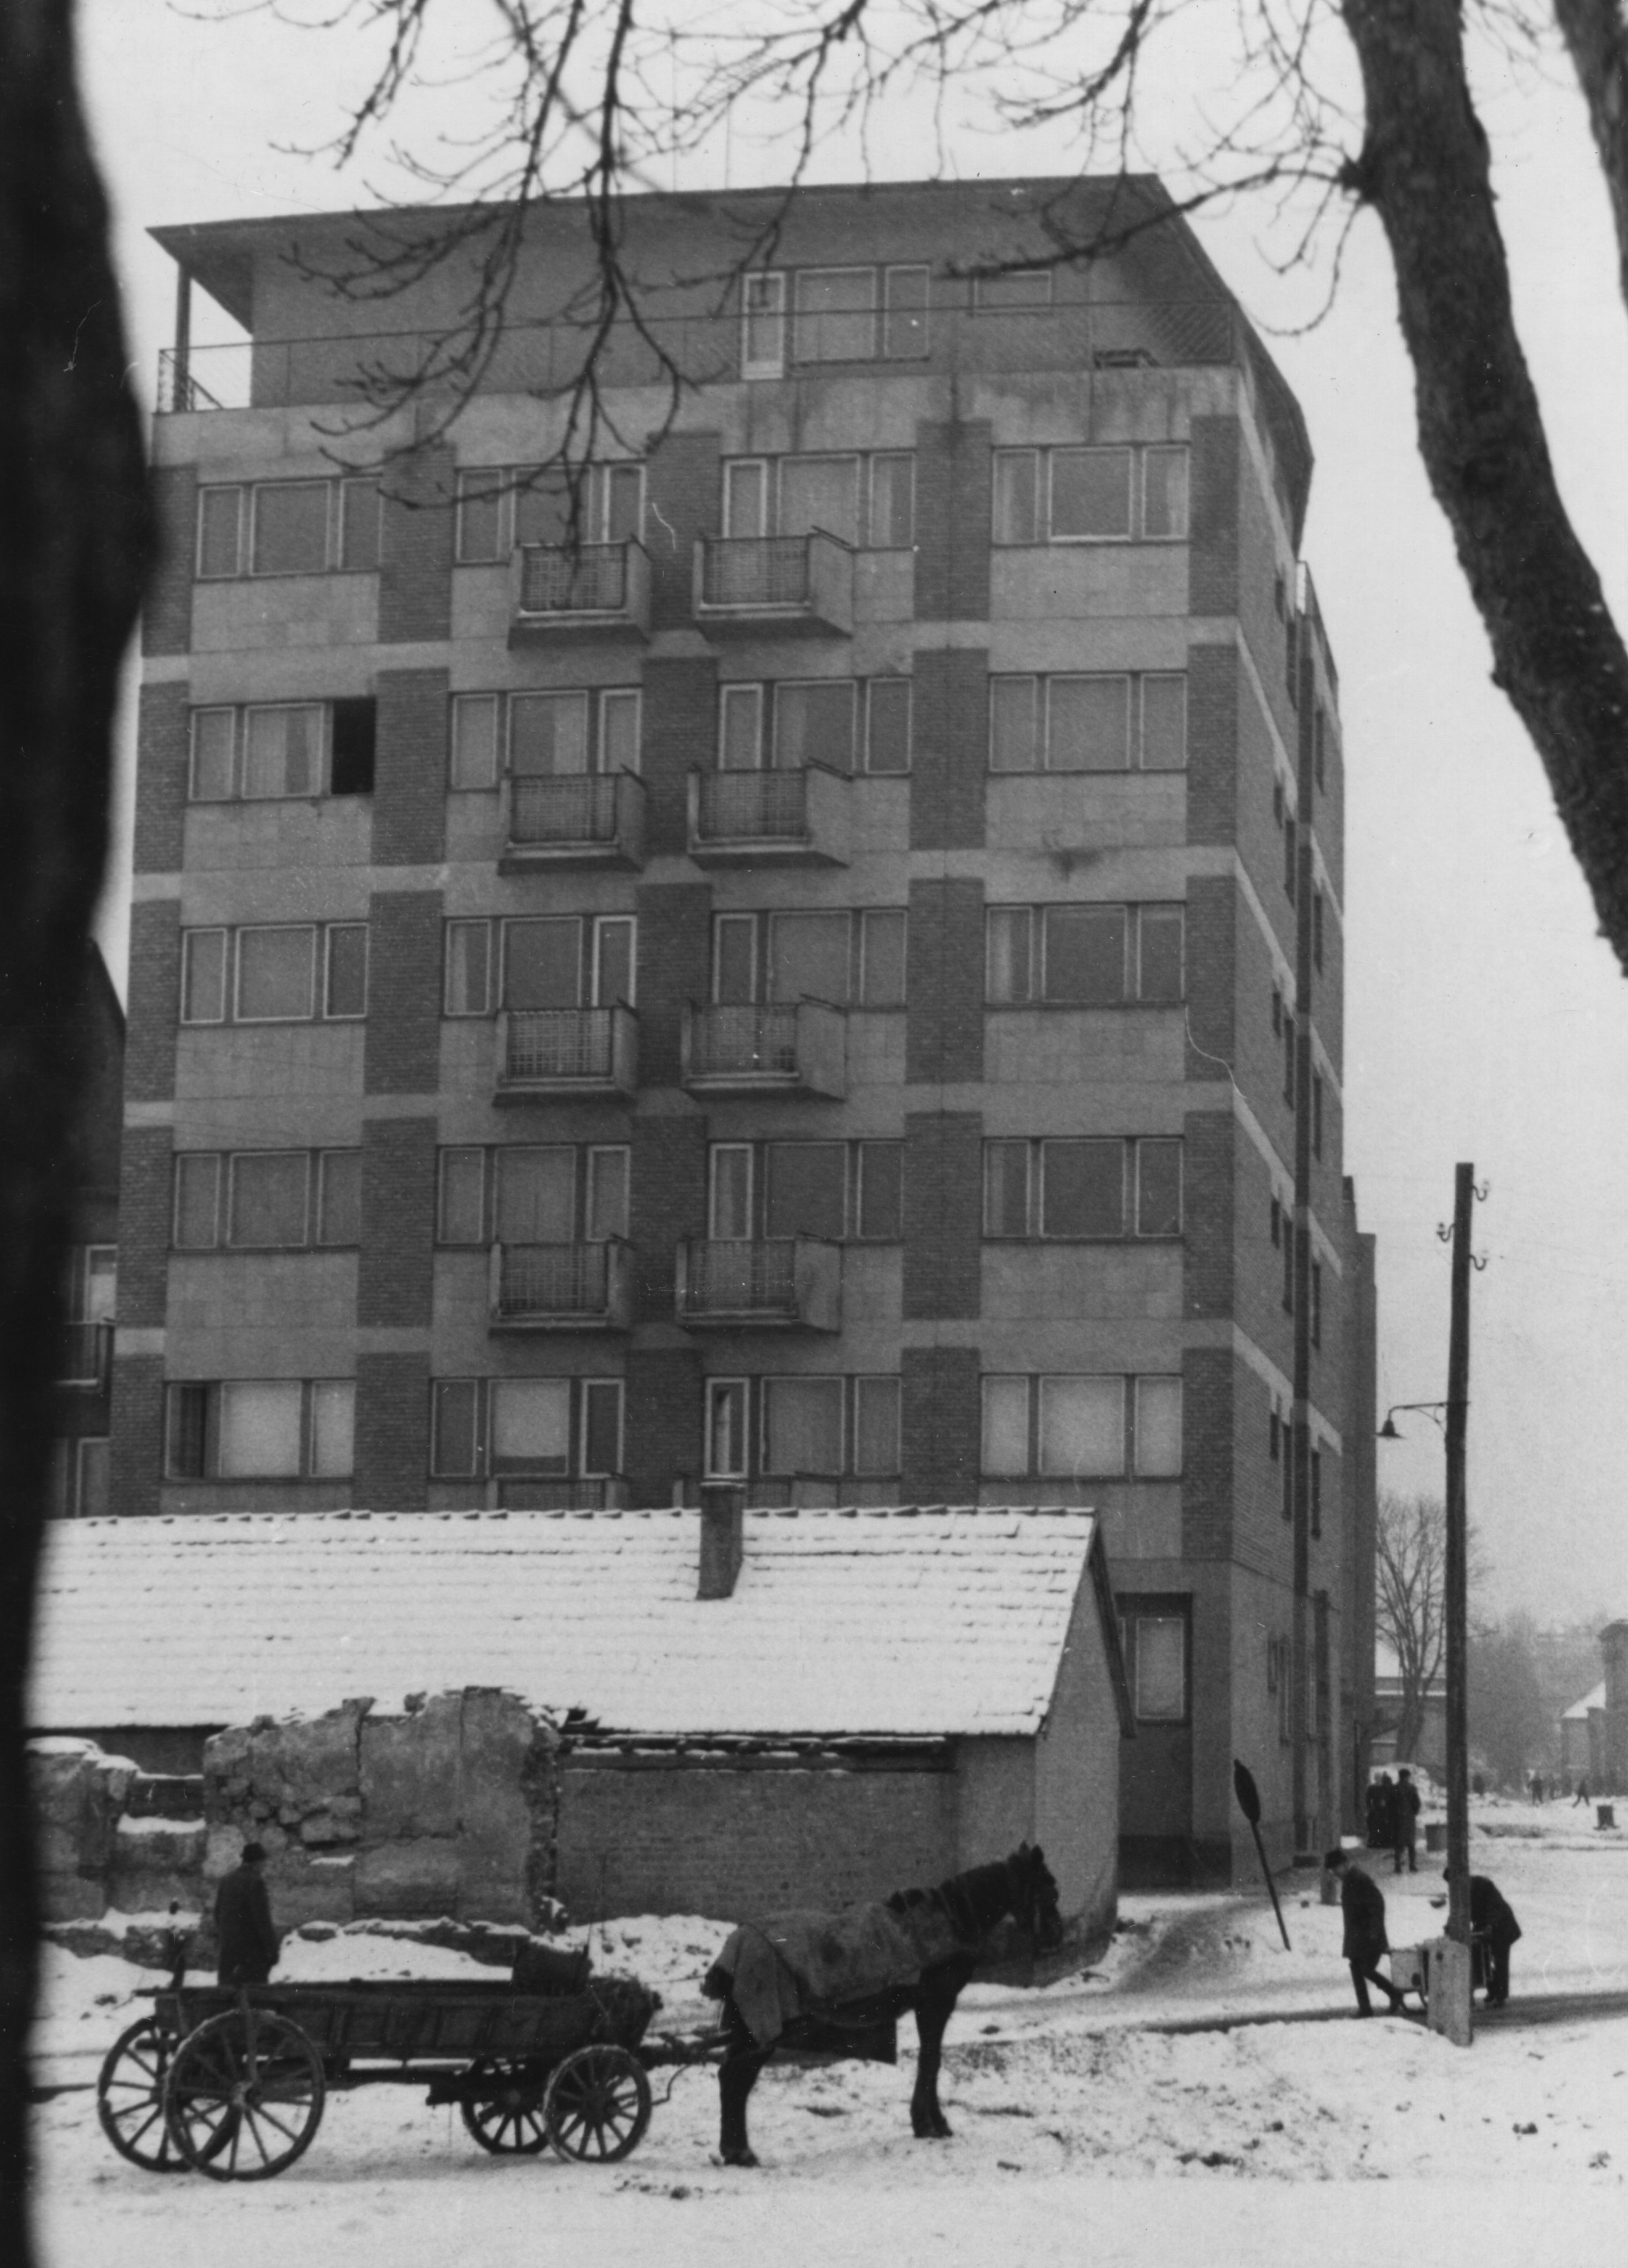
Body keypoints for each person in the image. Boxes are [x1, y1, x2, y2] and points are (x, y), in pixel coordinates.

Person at [1326, 1847, 1408, 2017]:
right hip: (1357, 1936)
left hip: (1369, 1935)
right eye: (1332, 1870)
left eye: (1336, 1869)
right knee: (1356, 1969)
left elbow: (1377, 1904)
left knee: (1365, 1969)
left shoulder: (1359, 1879)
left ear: (1345, 1864)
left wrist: (1374, 1930)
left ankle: (1394, 1993)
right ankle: (1365, 2008)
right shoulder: (1349, 1880)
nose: (1335, 1873)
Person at [1449, 1870, 1521, 2008]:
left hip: (1502, 1926)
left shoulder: (1484, 1885)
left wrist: (1489, 1925)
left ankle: (1501, 1996)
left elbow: (1495, 1907)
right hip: (1484, 1926)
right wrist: (1450, 1927)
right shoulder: (1461, 1890)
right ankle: (1493, 1989)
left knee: (1500, 1961)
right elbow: (1458, 1911)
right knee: (1480, 1957)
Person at [214, 1841, 281, 1987]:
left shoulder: (226, 1881)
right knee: (256, 2002)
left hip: (228, 1955)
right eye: (263, 1862)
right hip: (252, 1956)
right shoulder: (256, 1882)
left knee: (226, 2000)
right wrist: (272, 1950)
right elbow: (262, 1920)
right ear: (258, 1862)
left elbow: (217, 1915)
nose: (264, 1866)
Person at [1392, 1767, 1421, 1874]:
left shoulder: (1394, 1788)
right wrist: (1414, 1812)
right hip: (1409, 1818)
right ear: (1407, 1777)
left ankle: (1398, 1866)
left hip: (1398, 1819)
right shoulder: (1412, 1788)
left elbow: (1390, 1804)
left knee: (1398, 1844)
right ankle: (1412, 1865)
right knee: (1411, 1844)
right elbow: (1417, 1803)